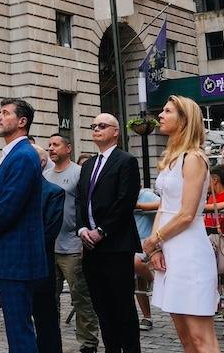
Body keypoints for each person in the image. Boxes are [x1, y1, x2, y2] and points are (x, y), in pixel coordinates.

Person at [143, 95, 220, 353]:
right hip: (170, 251)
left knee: (201, 338)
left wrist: (155, 239)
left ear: (184, 120)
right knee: (186, 339)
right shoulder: (171, 160)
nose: (160, 115)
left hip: (190, 253)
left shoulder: (194, 158)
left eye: (167, 111)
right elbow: (163, 208)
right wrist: (154, 249)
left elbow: (187, 214)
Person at [0, 98, 46, 353]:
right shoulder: (14, 153)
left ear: (22, 122)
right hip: (12, 254)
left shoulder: (23, 155)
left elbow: (8, 206)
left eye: (5, 113)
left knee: (19, 330)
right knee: (17, 329)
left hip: (19, 257)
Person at [76, 113, 141, 353]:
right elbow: (80, 199)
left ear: (116, 131)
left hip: (116, 245)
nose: (96, 129)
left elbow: (125, 201)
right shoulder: (89, 165)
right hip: (91, 248)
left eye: (102, 126)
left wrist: (102, 231)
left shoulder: (126, 161)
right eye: (93, 126)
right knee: (102, 307)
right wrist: (83, 228)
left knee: (123, 307)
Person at [45, 133, 99, 353]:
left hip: (73, 246)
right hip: (49, 245)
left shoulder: (79, 173)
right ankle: (50, 340)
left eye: (56, 145)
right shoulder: (46, 175)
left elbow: (87, 206)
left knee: (81, 297)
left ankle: (88, 343)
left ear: (68, 148)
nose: (51, 148)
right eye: (49, 145)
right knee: (49, 298)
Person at [31, 144, 65, 353]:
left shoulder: (54, 193)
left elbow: (49, 232)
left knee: (46, 319)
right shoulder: (13, 190)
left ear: (42, 163)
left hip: (41, 265)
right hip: (16, 267)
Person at [204, 165, 224, 338]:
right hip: (207, 245)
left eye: (206, 179)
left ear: (214, 180)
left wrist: (203, 208)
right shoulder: (205, 197)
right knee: (209, 283)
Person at [134, 187, 160, 332]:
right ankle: (147, 317)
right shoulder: (118, 194)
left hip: (145, 242)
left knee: (135, 263)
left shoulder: (145, 195)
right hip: (127, 242)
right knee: (138, 283)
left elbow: (164, 204)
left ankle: (154, 281)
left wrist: (138, 206)